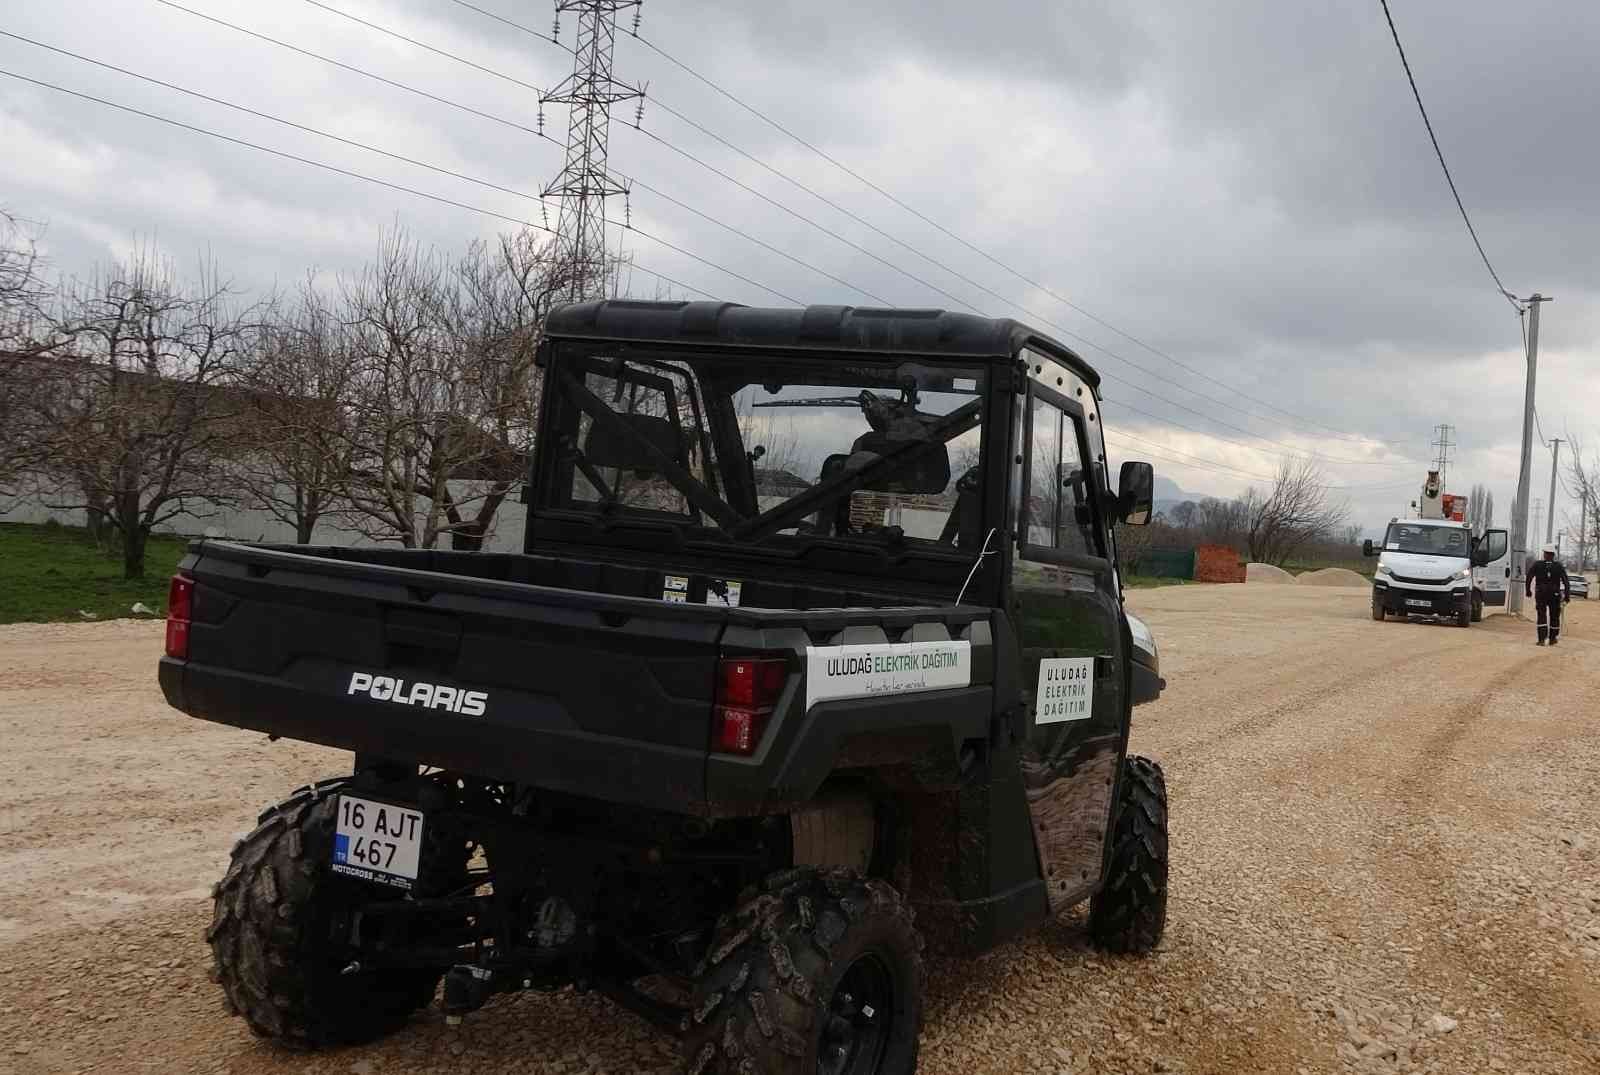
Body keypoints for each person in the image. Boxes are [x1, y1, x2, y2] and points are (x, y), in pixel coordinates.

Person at [1526, 544, 1572, 645]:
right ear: (1553, 555)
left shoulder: (1537, 564)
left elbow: (1529, 577)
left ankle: (1541, 640)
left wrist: (1528, 591)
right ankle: (1552, 639)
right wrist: (1567, 596)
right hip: (1555, 594)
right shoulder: (1558, 566)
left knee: (1541, 615)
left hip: (1541, 594)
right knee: (1554, 616)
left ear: (1545, 554)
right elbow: (1566, 581)